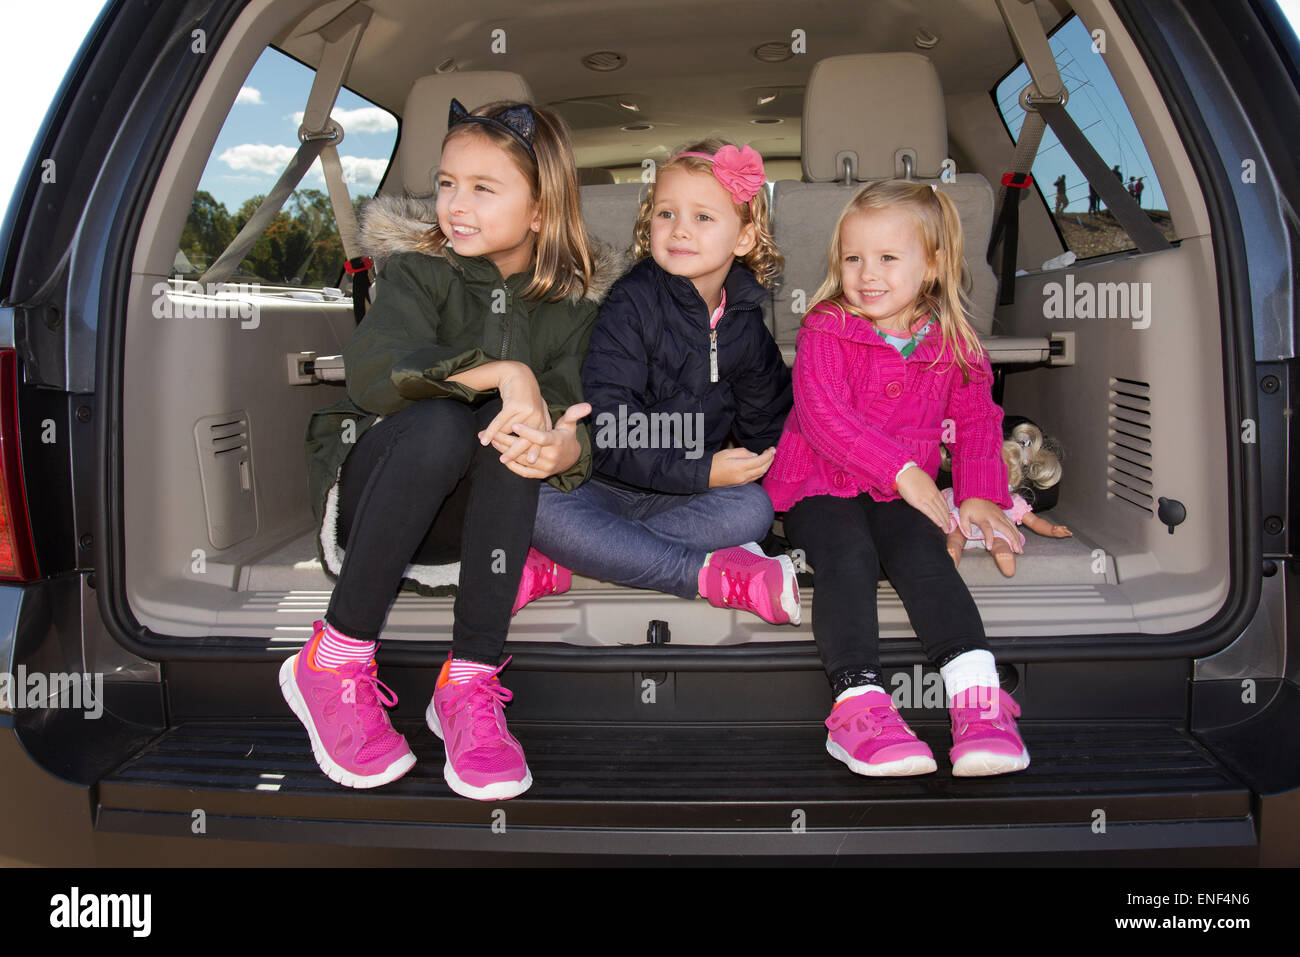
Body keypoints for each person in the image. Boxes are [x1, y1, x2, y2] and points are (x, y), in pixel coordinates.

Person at [287, 98, 619, 800]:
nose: (454, 205)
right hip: (382, 495)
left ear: (540, 211)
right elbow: (378, 376)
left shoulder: (570, 309)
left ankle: (468, 682)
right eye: (445, 183)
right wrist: (504, 370)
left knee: (519, 430)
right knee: (449, 418)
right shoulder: (418, 271)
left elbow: (575, 414)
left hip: (471, 524)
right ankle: (335, 654)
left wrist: (566, 450)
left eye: (482, 188)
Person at [764, 180, 1031, 778]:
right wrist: (905, 469)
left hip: (897, 493)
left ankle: (977, 699)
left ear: (933, 263)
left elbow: (979, 420)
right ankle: (858, 708)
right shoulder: (826, 328)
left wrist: (981, 495)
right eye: (853, 258)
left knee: (924, 553)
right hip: (818, 482)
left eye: (888, 258)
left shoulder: (954, 342)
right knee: (848, 556)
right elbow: (821, 415)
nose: (866, 273)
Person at [528, 140, 800, 625]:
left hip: (680, 500)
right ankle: (699, 573)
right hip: (600, 481)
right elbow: (611, 430)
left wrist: (810, 487)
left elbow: (771, 427)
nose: (679, 230)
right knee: (536, 505)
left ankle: (586, 557)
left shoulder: (745, 324)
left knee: (753, 509)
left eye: (703, 218)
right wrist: (702, 471)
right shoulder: (629, 305)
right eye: (666, 214)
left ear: (743, 238)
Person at [944, 420, 1072, 576]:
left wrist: (1051, 530)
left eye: (999, 473)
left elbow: (1033, 521)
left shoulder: (1013, 501)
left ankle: (1002, 553)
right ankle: (953, 550)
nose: (990, 477)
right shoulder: (961, 492)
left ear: (1011, 480)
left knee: (1002, 540)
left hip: (997, 531)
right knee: (956, 534)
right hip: (966, 524)